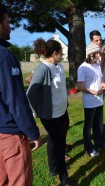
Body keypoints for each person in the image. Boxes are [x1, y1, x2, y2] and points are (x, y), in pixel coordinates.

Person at [0, 5, 41, 186]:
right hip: (10, 135)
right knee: (19, 181)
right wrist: (33, 133)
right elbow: (16, 100)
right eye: (7, 22)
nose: (10, 27)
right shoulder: (4, 57)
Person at [27, 38, 70, 186]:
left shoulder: (58, 66)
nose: (62, 55)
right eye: (61, 52)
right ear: (55, 53)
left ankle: (53, 168)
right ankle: (64, 178)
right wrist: (37, 111)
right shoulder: (43, 68)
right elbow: (31, 93)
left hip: (62, 111)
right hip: (50, 115)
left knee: (54, 139)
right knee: (59, 145)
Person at [77, 43, 105, 157]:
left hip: (99, 100)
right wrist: (95, 92)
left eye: (98, 53)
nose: (98, 55)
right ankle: (88, 147)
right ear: (90, 54)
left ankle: (98, 142)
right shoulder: (83, 67)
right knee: (88, 125)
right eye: (96, 53)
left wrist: (102, 84)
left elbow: (100, 78)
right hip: (90, 102)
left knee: (98, 124)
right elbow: (80, 86)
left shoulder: (96, 65)